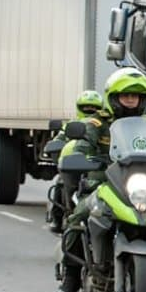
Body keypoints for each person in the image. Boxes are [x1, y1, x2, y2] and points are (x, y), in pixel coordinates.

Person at [55, 68, 146, 292]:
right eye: (126, 96)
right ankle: (71, 275)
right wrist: (80, 156)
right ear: (114, 97)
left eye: (136, 96)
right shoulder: (97, 122)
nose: (131, 101)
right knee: (77, 217)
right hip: (102, 184)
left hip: (142, 187)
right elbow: (82, 144)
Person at [47, 90, 104, 233]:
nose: (90, 111)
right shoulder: (71, 125)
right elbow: (58, 140)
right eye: (86, 108)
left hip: (99, 166)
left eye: (94, 108)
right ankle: (58, 218)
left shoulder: (105, 125)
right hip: (75, 165)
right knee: (61, 182)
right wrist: (58, 147)